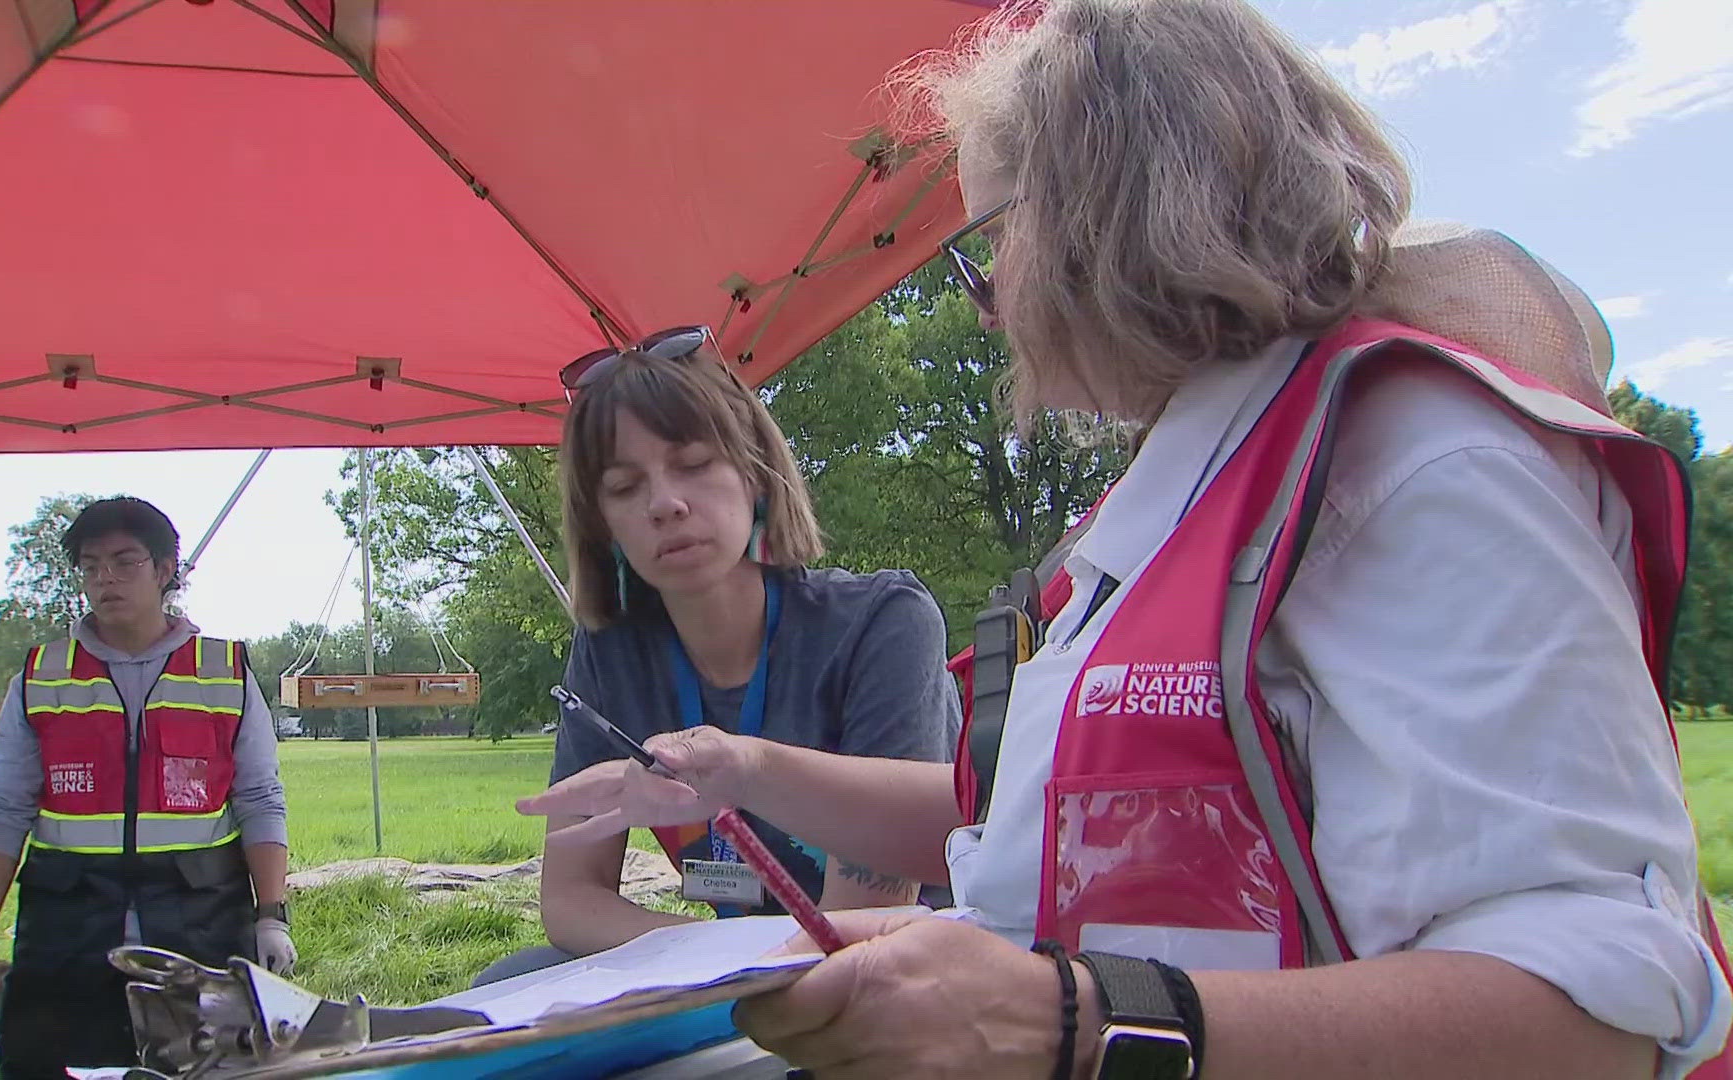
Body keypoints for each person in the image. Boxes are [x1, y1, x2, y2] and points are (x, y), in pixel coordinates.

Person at [518, 2, 1733, 1077]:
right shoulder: (1181, 497)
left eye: (988, 240)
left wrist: (1076, 1025)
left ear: (1110, 214)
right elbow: (1035, 838)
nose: (987, 297)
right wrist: (759, 782)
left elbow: (1601, 1012)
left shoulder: (1415, 459)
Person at [480, 326, 963, 986]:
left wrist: (732, 961)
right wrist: (715, 956)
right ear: (603, 524)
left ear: (755, 475)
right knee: (510, 981)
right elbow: (570, 901)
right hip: (750, 968)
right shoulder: (610, 652)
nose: (665, 504)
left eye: (695, 464)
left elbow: (867, 917)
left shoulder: (883, 621)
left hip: (906, 969)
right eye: (624, 487)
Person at [0, 497, 295, 1079]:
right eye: (90, 566)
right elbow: (3, 811)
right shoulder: (41, 678)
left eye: (124, 561)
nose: (104, 578)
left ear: (164, 571)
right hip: (68, 930)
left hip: (199, 925)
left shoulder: (224, 672)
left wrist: (271, 917)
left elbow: (260, 799)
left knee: (212, 1070)